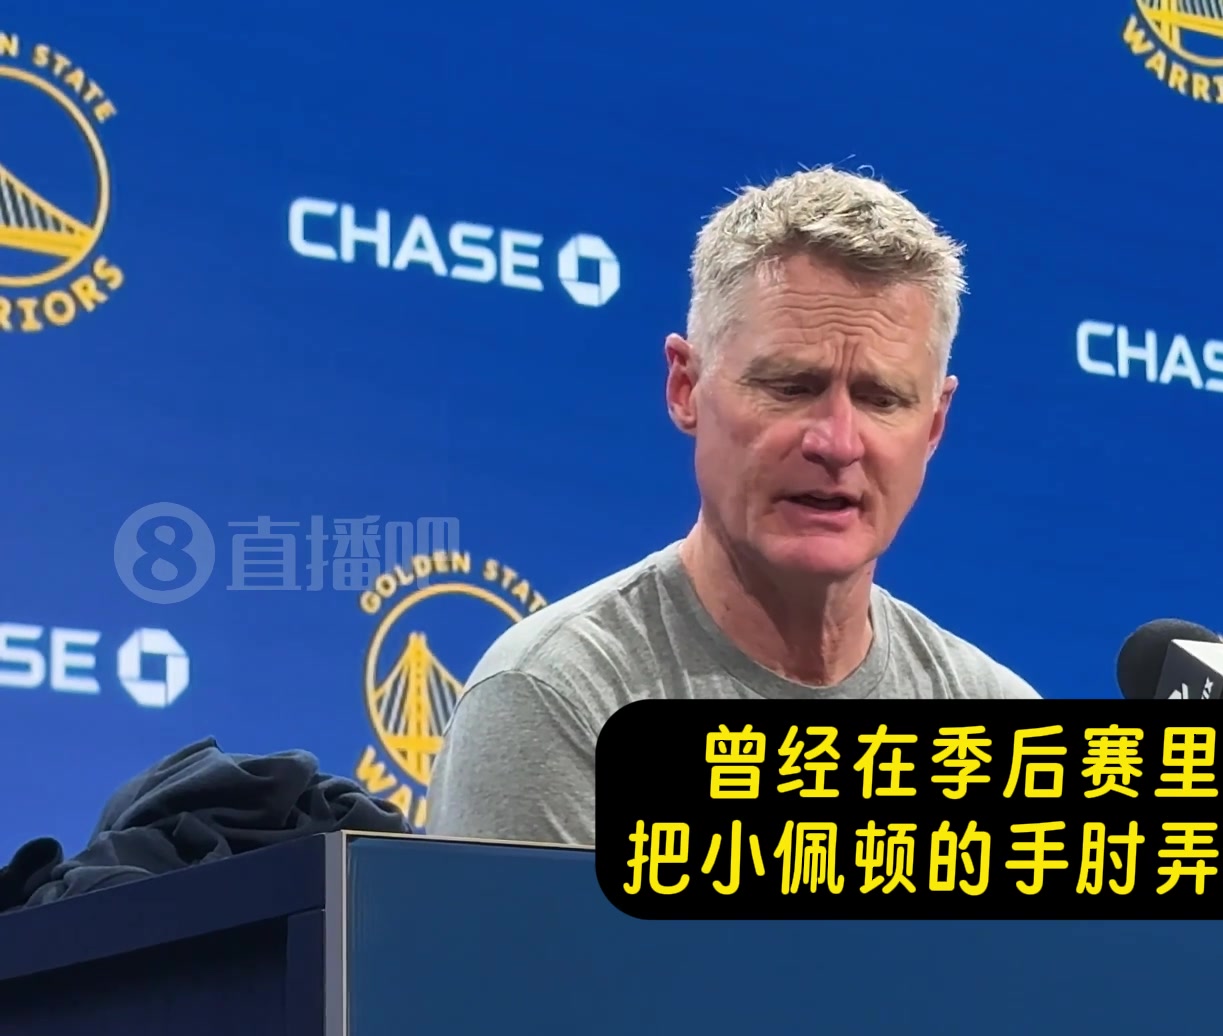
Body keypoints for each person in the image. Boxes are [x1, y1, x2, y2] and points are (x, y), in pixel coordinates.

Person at [425, 165, 1040, 846]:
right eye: (790, 387)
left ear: (934, 425)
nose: (837, 442)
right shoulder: (560, 697)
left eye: (881, 399)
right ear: (686, 387)